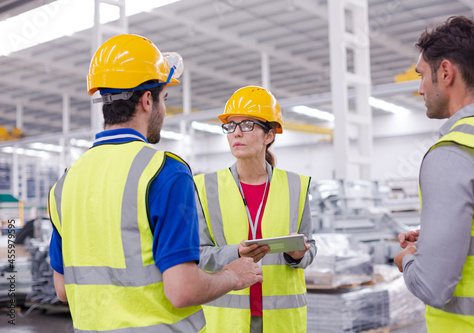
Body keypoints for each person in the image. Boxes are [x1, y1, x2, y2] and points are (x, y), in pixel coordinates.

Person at [48, 34, 263, 332]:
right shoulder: (164, 171)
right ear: (148, 100)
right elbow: (182, 290)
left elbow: (62, 289)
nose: (163, 109)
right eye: (164, 99)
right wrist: (233, 276)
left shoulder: (66, 182)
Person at [393, 16, 474, 332]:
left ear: (446, 72)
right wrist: (438, 239)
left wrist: (407, 260)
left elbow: (433, 287)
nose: (420, 88)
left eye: (422, 75)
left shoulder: (454, 152)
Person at [194, 86, 317, 333]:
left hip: (282, 321)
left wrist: (299, 256)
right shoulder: (205, 188)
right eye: (230, 126)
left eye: (247, 125)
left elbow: (310, 245)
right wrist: (235, 254)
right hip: (226, 322)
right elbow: (196, 255)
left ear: (269, 135)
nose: (236, 133)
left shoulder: (296, 185)